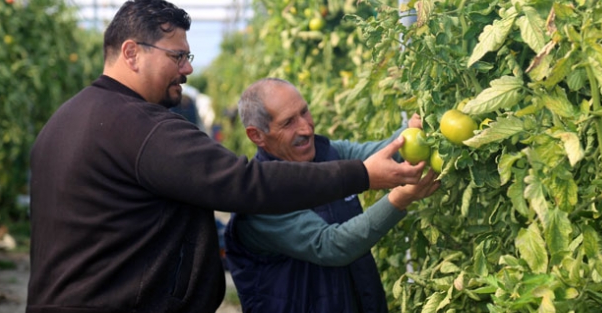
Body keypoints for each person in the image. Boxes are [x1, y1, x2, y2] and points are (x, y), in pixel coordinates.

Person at [26, 1, 428, 313]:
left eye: (188, 57)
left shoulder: (65, 121)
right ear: (132, 52)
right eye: (176, 56)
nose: (186, 69)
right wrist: (363, 176)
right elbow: (246, 184)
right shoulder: (142, 128)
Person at [224, 78, 441, 313]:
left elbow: (379, 154)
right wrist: (399, 200)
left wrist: (411, 132)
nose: (306, 128)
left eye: (304, 112)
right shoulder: (260, 198)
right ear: (257, 135)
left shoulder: (329, 154)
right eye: (288, 123)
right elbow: (330, 245)